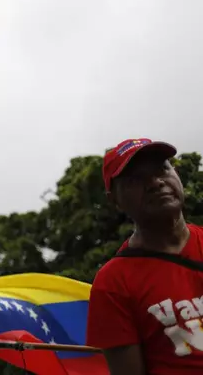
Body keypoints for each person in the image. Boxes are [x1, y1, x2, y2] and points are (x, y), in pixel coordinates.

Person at [86, 138, 203, 375]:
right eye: (135, 179)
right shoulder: (113, 284)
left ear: (176, 174)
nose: (155, 183)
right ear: (114, 200)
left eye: (162, 169)